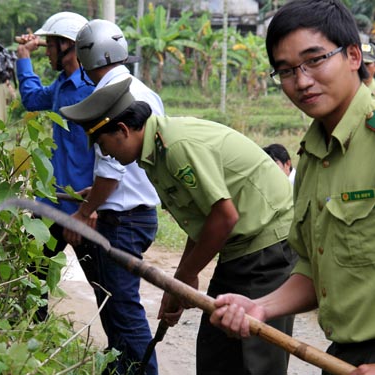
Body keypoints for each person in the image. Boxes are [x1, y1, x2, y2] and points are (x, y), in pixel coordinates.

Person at [59, 77, 297, 375]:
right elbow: (203, 219)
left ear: (122, 130)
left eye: (103, 143)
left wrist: (185, 275)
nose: (105, 154)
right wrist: (180, 284)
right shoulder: (153, 155)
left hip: (267, 246)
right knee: (215, 349)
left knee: (255, 357)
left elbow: (225, 217)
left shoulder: (176, 147)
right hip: (239, 247)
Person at [207, 1, 375, 374]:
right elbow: (314, 270)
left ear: (352, 55)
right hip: (344, 358)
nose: (301, 81)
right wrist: (261, 307)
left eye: (314, 60)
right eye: (285, 70)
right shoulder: (313, 156)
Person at [63, 19, 162, 375]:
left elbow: (111, 170)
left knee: (122, 309)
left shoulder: (111, 95)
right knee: (115, 307)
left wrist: (85, 211)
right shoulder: (142, 89)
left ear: (86, 59)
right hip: (140, 211)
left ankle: (142, 370)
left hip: (121, 219)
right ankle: (120, 367)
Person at [15, 12, 95, 321]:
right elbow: (33, 99)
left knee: (105, 286)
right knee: (34, 272)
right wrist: (24, 58)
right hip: (52, 202)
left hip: (83, 207)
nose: (46, 51)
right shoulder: (62, 85)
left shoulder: (94, 89)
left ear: (68, 46)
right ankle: (34, 330)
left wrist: (92, 206)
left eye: (50, 45)